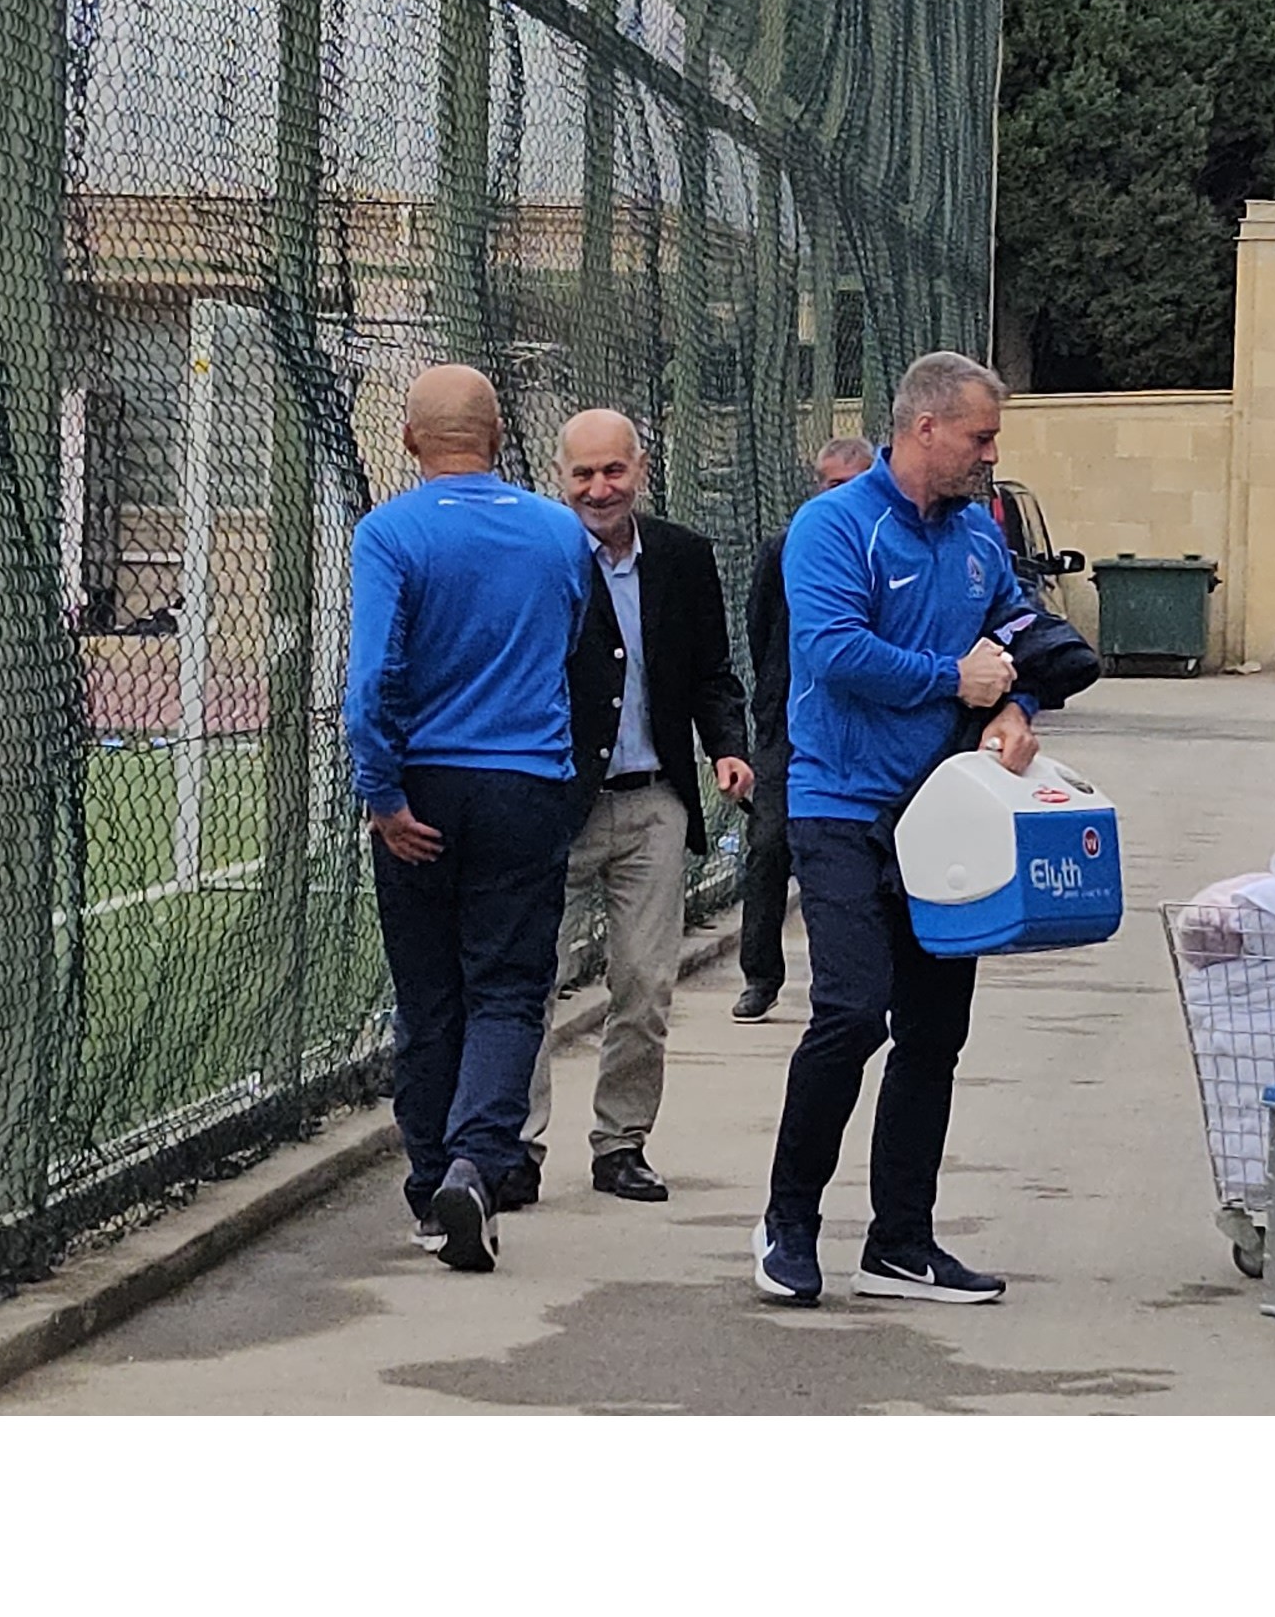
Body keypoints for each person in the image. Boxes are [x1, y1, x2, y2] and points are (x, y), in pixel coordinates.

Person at [753, 353, 1043, 1309]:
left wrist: (1016, 705)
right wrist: (953, 681)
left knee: (934, 1030)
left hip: (941, 813)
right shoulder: (835, 526)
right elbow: (832, 652)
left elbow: (1019, 633)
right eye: (980, 436)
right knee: (851, 1010)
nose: (990, 455)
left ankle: (901, 1243)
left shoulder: (977, 537)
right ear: (924, 427)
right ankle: (787, 1224)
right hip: (838, 805)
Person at [347, 364, 596, 1273]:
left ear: (410, 440)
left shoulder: (389, 535)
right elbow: (567, 640)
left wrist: (382, 794)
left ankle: (428, 1188)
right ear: (498, 438)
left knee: (428, 993)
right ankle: (476, 1159)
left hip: (422, 783)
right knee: (507, 986)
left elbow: (372, 680)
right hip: (525, 781)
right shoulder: (557, 534)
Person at [522, 409, 750, 1204]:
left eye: (613, 471)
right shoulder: (540, 556)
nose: (599, 489)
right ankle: (514, 1145)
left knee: (645, 985)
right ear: (561, 477)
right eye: (582, 474)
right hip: (557, 804)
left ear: (640, 470)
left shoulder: (682, 557)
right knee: (528, 978)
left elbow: (714, 671)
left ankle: (622, 1143)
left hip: (655, 801)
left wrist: (728, 746)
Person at [730, 435, 879, 1022]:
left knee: (846, 852)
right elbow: (761, 628)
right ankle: (760, 976)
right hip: (786, 727)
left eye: (845, 484)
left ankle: (844, 981)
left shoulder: (881, 548)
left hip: (860, 725)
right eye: (824, 483)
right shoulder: (786, 548)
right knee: (768, 848)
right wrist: (771, 711)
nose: (831, 495)